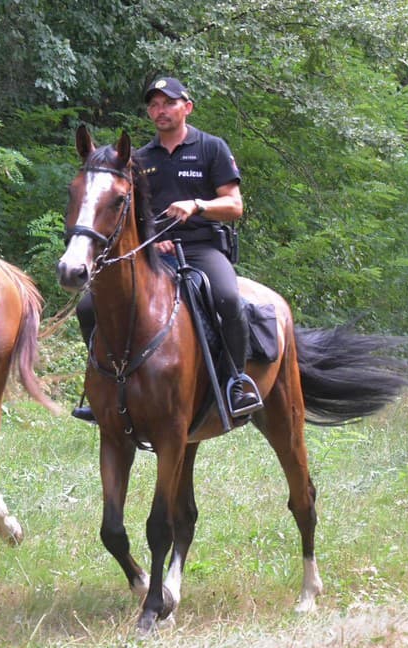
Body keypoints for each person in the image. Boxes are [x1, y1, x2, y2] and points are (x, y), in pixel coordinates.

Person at [72, 76, 261, 421]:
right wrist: (151, 236)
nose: (160, 111)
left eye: (168, 103)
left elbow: (234, 206)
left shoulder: (211, 148)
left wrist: (198, 206)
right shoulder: (140, 158)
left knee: (228, 299)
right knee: (88, 305)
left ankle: (237, 381)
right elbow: (129, 214)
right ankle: (102, 385)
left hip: (202, 246)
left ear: (186, 108)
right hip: (154, 250)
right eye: (154, 105)